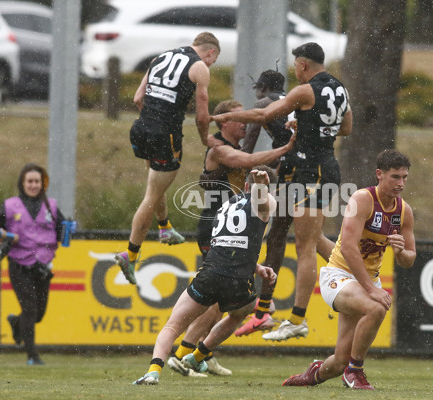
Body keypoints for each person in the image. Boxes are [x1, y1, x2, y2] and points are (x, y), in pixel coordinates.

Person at [212, 42, 352, 342]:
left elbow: (264, 116)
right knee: (312, 240)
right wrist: (307, 122)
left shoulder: (304, 91)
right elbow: (346, 127)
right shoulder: (340, 89)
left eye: (296, 67)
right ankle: (358, 276)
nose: (295, 73)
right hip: (322, 167)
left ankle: (297, 319)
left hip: (310, 172)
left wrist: (220, 119)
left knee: (304, 246)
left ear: (302, 65)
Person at [166, 99, 295, 377]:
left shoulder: (235, 146)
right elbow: (248, 162)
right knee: (216, 298)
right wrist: (287, 148)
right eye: (239, 118)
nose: (245, 122)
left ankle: (202, 353)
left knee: (224, 299)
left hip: (233, 231)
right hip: (216, 229)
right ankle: (184, 354)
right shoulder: (218, 148)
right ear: (224, 122)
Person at [282, 149, 416, 390]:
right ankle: (355, 372)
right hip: (339, 276)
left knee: (339, 361)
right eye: (395, 176)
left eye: (405, 177)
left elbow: (409, 259)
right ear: (379, 174)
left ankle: (314, 374)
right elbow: (348, 248)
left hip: (364, 282)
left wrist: (400, 252)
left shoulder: (404, 211)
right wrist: (371, 289)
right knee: (376, 308)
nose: (401, 183)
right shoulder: (362, 199)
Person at [133, 167, 278, 385]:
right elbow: (263, 204)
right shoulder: (266, 200)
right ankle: (199, 355)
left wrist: (256, 267)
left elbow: (228, 243)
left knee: (172, 326)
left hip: (210, 273)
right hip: (238, 279)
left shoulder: (226, 205)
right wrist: (262, 187)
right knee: (239, 314)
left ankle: (153, 372)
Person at [228, 69, 334, 337]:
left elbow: (247, 149)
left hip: (295, 171)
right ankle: (355, 272)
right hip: (305, 167)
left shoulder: (264, 103)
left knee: (278, 238)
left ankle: (263, 310)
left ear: (261, 88)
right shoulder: (293, 98)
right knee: (307, 237)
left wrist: (230, 163)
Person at [115, 32, 221, 285]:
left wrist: (152, 121)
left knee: (156, 183)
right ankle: (130, 253)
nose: (210, 66)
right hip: (166, 135)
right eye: (212, 61)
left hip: (141, 128)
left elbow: (138, 98)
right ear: (211, 53)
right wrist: (206, 139)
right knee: (151, 196)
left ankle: (165, 228)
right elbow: (202, 115)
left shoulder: (160, 58)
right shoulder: (199, 67)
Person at [0, 163, 65, 365]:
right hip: (19, 264)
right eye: (29, 181)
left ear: (42, 184)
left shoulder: (52, 206)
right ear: (22, 183)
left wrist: (66, 231)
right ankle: (32, 355)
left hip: (42, 266)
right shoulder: (10, 205)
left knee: (39, 313)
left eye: (37, 181)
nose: (33, 185)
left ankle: (16, 321)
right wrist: (3, 235)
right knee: (30, 308)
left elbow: (61, 230)